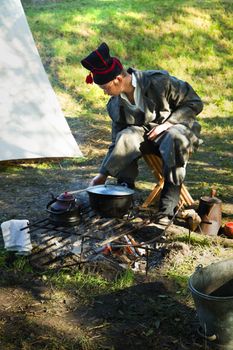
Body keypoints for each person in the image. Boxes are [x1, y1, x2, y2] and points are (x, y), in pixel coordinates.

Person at [81, 42, 203, 224]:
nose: (106, 93)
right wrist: (102, 174)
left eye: (106, 88)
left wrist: (167, 124)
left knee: (173, 137)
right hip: (144, 136)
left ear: (118, 79)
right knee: (125, 137)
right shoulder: (115, 104)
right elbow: (117, 141)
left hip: (176, 130)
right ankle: (124, 195)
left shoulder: (158, 82)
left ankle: (167, 208)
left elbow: (195, 102)